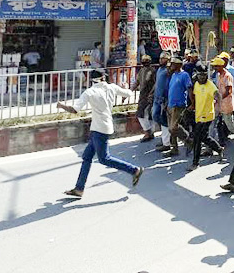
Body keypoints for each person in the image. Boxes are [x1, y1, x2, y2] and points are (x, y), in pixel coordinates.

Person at [60, 69, 144, 198]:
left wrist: (61, 105)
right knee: (87, 157)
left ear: (92, 80)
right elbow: (128, 94)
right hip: (103, 127)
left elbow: (75, 110)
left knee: (104, 159)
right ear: (103, 78)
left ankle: (134, 170)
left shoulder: (90, 92)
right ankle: (79, 188)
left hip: (98, 129)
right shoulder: (111, 88)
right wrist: (125, 87)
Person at [187, 64, 224, 171]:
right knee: (204, 137)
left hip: (207, 115)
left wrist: (219, 106)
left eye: (204, 75)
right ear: (197, 75)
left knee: (197, 138)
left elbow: (218, 95)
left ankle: (195, 162)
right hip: (198, 114)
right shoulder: (197, 85)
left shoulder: (210, 85)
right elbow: (195, 96)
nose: (202, 77)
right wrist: (192, 105)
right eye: (200, 75)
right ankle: (219, 148)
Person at [164, 56, 192, 157]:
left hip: (178, 105)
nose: (171, 65)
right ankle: (174, 148)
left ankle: (188, 139)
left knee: (173, 127)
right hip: (170, 104)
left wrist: (192, 103)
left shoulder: (184, 75)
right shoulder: (173, 75)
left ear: (179, 65)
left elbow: (189, 89)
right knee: (170, 129)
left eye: (173, 64)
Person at [212, 57, 234, 145]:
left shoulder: (227, 76)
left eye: (216, 66)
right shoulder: (219, 75)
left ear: (221, 66)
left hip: (226, 103)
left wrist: (220, 98)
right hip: (219, 103)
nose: (215, 68)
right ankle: (219, 140)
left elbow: (228, 91)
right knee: (215, 122)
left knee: (229, 125)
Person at [132, 54, 156, 142]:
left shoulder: (153, 71)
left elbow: (155, 84)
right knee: (141, 113)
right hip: (143, 95)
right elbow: (137, 82)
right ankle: (148, 131)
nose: (145, 62)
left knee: (149, 114)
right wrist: (129, 91)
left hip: (150, 95)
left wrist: (152, 94)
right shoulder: (141, 71)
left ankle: (149, 132)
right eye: (144, 60)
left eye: (147, 60)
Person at [152, 52, 172, 153]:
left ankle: (167, 143)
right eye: (160, 58)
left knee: (164, 119)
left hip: (164, 98)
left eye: (163, 58)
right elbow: (157, 83)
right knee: (156, 116)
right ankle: (166, 138)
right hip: (157, 98)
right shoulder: (159, 69)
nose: (160, 60)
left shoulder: (168, 71)